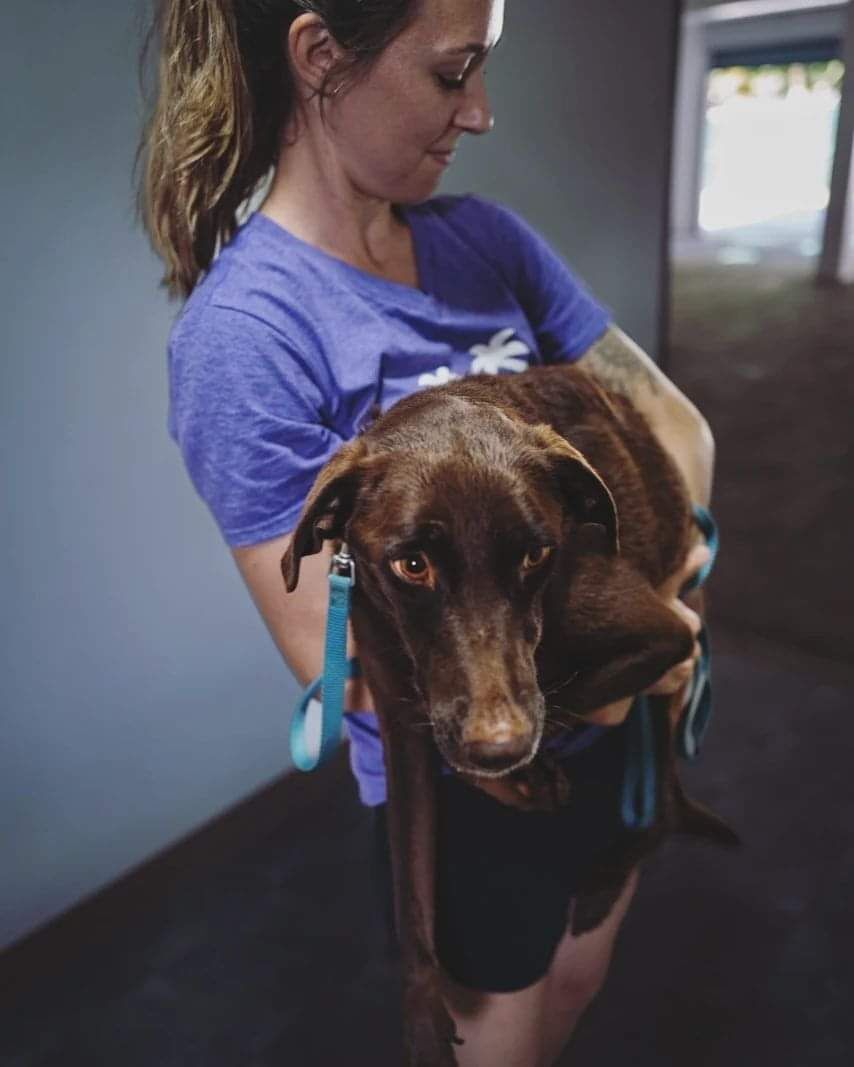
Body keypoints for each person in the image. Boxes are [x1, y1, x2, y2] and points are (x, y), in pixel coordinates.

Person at [138, 1, 713, 1063]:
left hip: (619, 704)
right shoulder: (245, 337)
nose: (480, 112)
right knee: (504, 1034)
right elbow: (342, 663)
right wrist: (627, 661)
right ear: (319, 55)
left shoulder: (484, 240)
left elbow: (676, 428)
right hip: (474, 781)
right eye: (453, 74)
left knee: (579, 978)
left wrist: (677, 587)